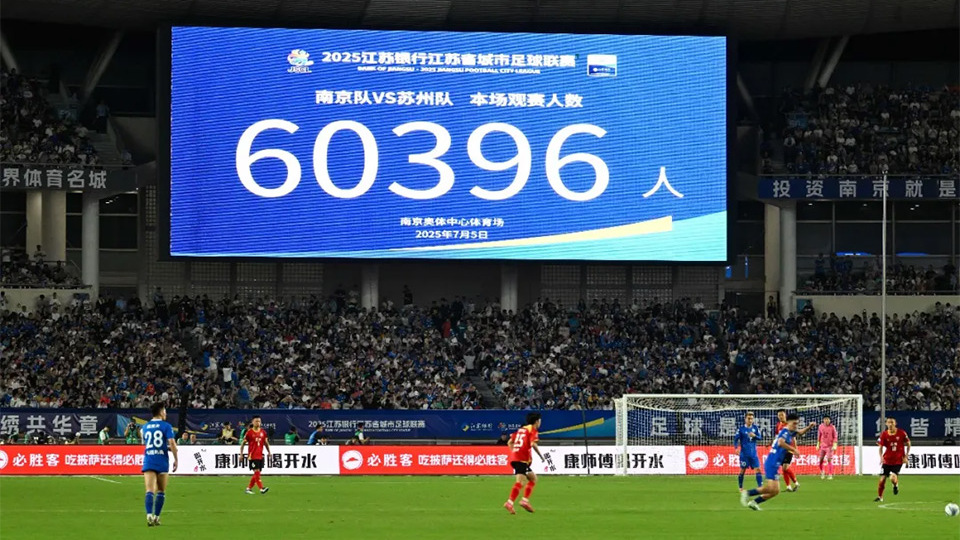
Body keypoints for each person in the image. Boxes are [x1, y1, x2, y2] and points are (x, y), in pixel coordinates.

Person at [740, 413, 816, 510]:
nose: (796, 426)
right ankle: (747, 493)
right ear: (788, 422)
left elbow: (800, 433)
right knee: (770, 488)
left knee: (775, 491)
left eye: (797, 424)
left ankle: (754, 502)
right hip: (772, 462)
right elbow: (780, 442)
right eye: (794, 423)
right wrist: (794, 449)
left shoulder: (790, 432)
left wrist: (809, 427)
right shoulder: (785, 432)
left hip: (774, 463)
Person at [141, 402, 178, 527]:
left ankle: (149, 515)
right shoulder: (166, 426)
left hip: (149, 459)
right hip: (162, 460)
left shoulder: (144, 427)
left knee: (149, 490)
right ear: (161, 412)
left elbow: (146, 443)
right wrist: (176, 459)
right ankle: (156, 517)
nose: (166, 414)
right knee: (161, 490)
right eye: (165, 411)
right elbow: (172, 443)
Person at [504, 412, 545, 514]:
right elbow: (533, 444)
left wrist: (515, 452)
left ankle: (524, 501)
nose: (540, 422)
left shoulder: (522, 429)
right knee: (520, 482)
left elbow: (509, 442)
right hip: (521, 459)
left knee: (533, 478)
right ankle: (510, 502)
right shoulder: (532, 430)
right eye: (540, 420)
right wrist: (541, 456)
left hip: (518, 458)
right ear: (536, 421)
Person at [875, 417, 911, 502]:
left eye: (892, 422)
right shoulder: (884, 434)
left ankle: (895, 486)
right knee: (882, 479)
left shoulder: (902, 433)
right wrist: (881, 457)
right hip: (887, 460)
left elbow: (908, 443)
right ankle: (880, 497)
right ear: (886, 424)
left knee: (892, 478)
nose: (890, 424)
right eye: (888, 422)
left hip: (898, 460)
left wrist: (906, 456)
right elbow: (880, 447)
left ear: (895, 424)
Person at [240, 415, 270, 495]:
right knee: (256, 471)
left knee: (257, 473)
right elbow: (243, 444)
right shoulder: (249, 433)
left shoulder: (263, 432)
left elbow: (266, 443)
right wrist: (241, 454)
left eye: (259, 421)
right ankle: (261, 488)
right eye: (256, 421)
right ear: (252, 422)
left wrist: (269, 452)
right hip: (252, 456)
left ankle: (248, 488)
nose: (258, 423)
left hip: (260, 455)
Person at [734, 412, 763, 491]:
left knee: (758, 469)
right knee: (742, 470)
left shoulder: (755, 428)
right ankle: (740, 487)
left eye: (751, 419)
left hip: (753, 454)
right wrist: (736, 448)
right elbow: (736, 439)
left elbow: (760, 438)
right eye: (748, 418)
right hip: (744, 454)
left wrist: (755, 436)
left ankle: (760, 487)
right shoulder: (741, 429)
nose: (750, 420)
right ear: (745, 419)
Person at [775, 410, 800, 491]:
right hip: (781, 449)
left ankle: (796, 483)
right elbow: (777, 437)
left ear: (785, 415)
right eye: (779, 415)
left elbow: (793, 437)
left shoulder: (789, 425)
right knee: (783, 468)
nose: (780, 417)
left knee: (785, 467)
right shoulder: (778, 425)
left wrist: (795, 449)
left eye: (782, 415)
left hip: (789, 448)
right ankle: (788, 486)